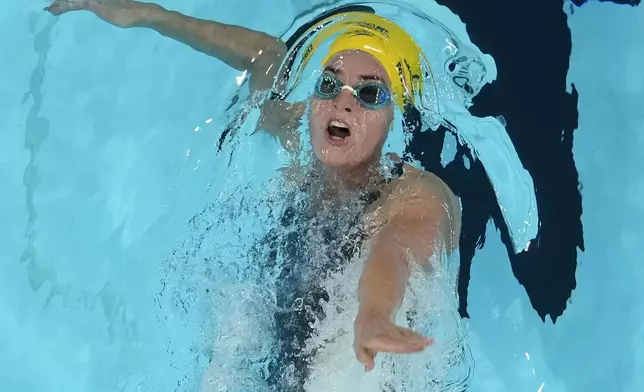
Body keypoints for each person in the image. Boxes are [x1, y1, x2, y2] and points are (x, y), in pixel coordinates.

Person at [47, 0, 462, 388]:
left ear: (395, 117)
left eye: (369, 94)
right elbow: (264, 59)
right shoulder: (302, 139)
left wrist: (374, 313)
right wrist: (152, 16)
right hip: (274, 318)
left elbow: (397, 249)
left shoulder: (417, 194)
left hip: (355, 346)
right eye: (328, 84)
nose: (342, 103)